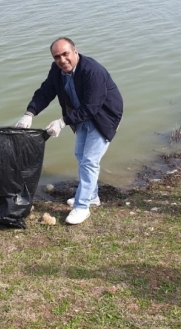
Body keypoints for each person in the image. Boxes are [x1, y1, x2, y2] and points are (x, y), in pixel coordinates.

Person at [15, 37, 123, 225]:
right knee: (80, 156)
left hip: (103, 117)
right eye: (57, 57)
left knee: (90, 161)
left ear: (75, 51)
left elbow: (92, 106)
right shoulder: (57, 70)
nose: (62, 60)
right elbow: (45, 92)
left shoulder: (92, 71)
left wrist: (62, 121)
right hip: (80, 117)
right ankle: (92, 196)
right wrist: (29, 113)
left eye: (65, 54)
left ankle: (82, 207)